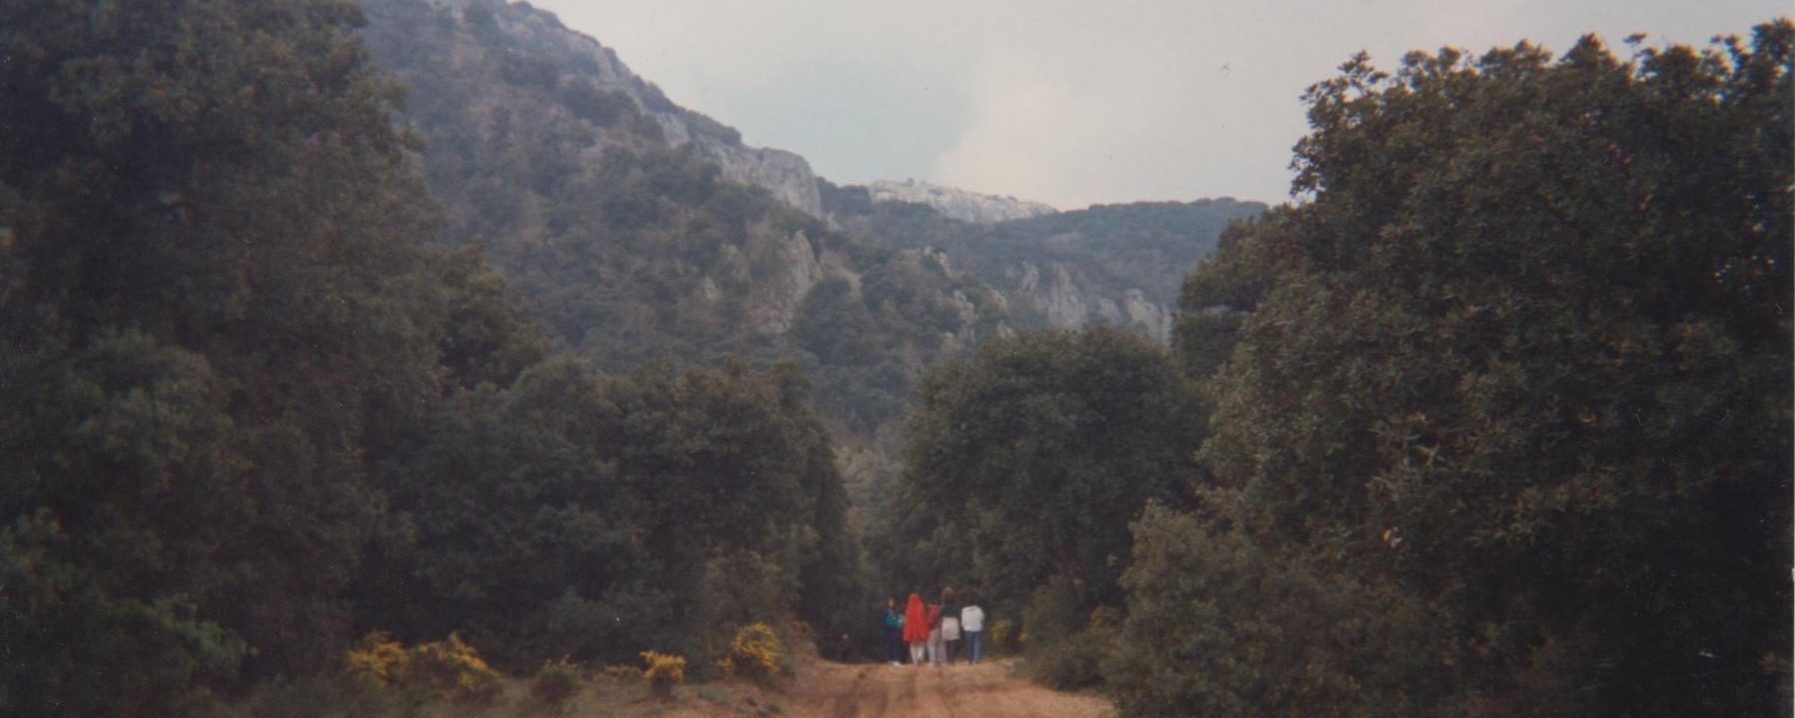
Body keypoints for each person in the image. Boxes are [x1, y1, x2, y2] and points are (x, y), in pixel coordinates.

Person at [902, 592, 929, 665]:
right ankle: (920, 656)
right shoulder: (921, 606)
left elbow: (907, 621)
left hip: (911, 630)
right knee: (921, 644)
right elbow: (923, 618)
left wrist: (906, 631)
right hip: (920, 629)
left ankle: (915, 661)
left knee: (912, 646)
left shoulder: (908, 609)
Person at [960, 593, 986, 664]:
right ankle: (976, 659)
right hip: (978, 628)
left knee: (969, 645)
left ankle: (969, 660)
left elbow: (963, 621)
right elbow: (982, 618)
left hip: (968, 629)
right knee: (977, 643)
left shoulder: (964, 610)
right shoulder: (979, 609)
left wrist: (964, 627)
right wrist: (982, 627)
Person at [939, 587, 962, 664]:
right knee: (953, 643)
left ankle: (948, 659)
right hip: (954, 623)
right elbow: (958, 616)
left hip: (945, 623)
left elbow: (940, 617)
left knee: (947, 643)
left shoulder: (942, 606)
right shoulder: (956, 606)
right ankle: (951, 660)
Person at [881, 597, 905, 665]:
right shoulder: (885, 611)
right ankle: (889, 659)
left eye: (893, 602)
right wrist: (884, 628)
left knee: (896, 644)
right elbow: (883, 620)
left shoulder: (896, 611)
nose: (892, 603)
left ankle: (895, 659)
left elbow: (899, 618)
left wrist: (900, 624)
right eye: (890, 602)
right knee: (889, 644)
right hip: (888, 629)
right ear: (887, 603)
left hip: (895, 628)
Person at [924, 597, 944, 666]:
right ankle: (939, 660)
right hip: (939, 628)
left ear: (931, 604)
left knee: (931, 645)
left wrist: (927, 624)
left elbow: (931, 621)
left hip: (933, 629)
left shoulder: (933, 610)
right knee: (938, 645)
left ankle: (932, 661)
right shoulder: (940, 609)